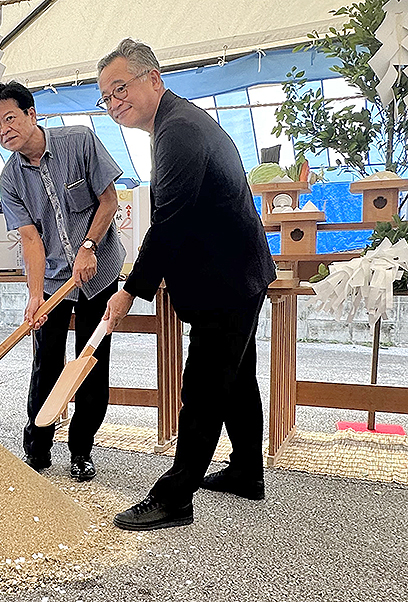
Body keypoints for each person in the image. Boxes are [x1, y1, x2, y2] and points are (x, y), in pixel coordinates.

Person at [97, 39, 276, 530]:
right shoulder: (176, 124)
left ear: (153, 78)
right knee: (235, 376)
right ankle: (246, 471)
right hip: (235, 272)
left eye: (120, 89)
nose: (114, 104)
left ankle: (175, 496)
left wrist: (129, 288)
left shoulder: (177, 131)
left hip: (228, 278)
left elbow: (169, 222)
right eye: (105, 98)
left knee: (202, 386)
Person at [0, 81, 125, 481]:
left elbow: (109, 201)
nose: (4, 129)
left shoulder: (79, 141)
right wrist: (34, 296)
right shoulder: (10, 179)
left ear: (31, 114)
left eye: (10, 118)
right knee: (46, 364)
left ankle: (82, 451)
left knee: (90, 364)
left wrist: (89, 246)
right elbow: (31, 239)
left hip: (99, 270)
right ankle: (38, 449)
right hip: (54, 282)